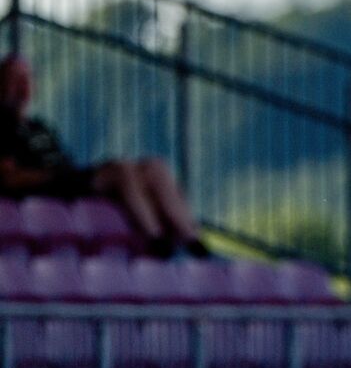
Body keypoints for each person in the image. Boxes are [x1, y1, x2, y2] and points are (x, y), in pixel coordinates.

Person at [0, 53, 209, 258]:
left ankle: (192, 240)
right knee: (121, 170)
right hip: (52, 186)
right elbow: (10, 178)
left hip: (68, 178)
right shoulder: (4, 127)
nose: (23, 86)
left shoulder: (39, 127)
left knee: (155, 167)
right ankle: (155, 240)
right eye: (15, 79)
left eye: (27, 78)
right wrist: (51, 176)